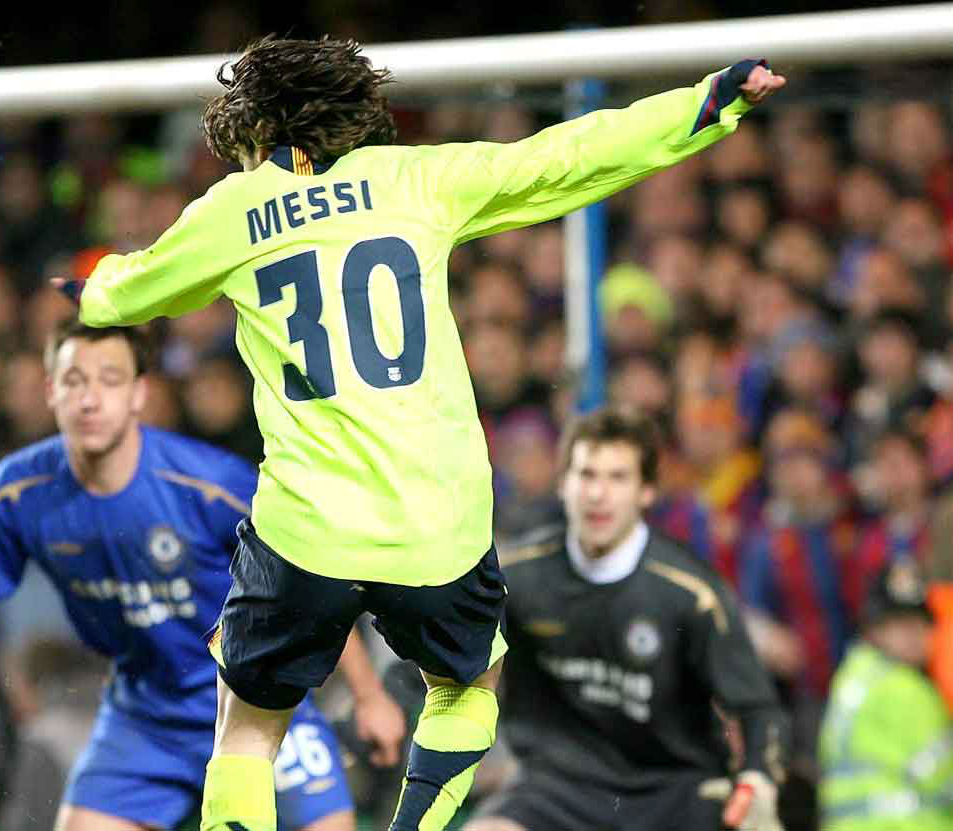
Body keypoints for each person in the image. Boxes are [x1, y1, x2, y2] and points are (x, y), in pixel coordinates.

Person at [54, 34, 785, 831]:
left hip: (310, 529)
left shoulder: (234, 210)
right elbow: (570, 156)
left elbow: (124, 295)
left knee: (247, 723)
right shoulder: (416, 180)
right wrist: (707, 104)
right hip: (436, 525)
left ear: (256, 122)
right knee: (469, 686)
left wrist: (81, 290)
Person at [0, 322, 406, 831]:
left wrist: (368, 695)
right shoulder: (20, 493)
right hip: (144, 716)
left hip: (256, 702)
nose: (90, 399)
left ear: (139, 393)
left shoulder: (210, 484)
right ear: (51, 390)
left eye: (110, 379)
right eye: (74, 381)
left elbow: (299, 588)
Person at [464, 408, 788, 831]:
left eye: (618, 478)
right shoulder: (515, 577)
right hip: (557, 787)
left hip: (673, 792)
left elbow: (757, 707)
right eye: (586, 475)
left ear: (646, 491)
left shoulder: (692, 594)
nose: (598, 494)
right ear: (563, 484)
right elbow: (446, 660)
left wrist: (758, 778)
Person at [818, 559, 953, 830]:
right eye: (900, 625)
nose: (914, 636)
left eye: (920, 624)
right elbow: (945, 778)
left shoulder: (852, 674)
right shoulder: (906, 688)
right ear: (874, 630)